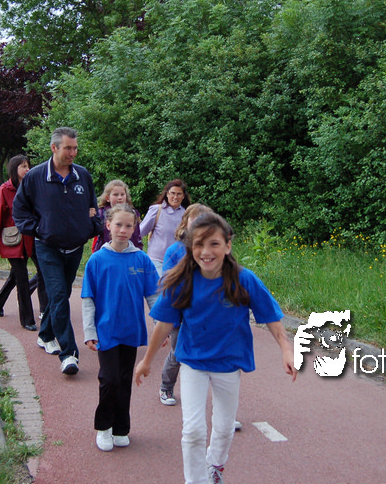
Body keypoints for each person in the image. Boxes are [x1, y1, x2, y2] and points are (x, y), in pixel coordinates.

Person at [135, 212, 297, 484]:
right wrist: (147, 360)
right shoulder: (182, 281)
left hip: (228, 364)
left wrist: (286, 349)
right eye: (199, 244)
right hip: (193, 362)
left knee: (223, 428)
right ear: (190, 247)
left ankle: (215, 466)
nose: (206, 252)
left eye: (214, 244)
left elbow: (271, 317)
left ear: (228, 246)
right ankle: (195, 480)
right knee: (193, 430)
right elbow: (163, 325)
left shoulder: (244, 280)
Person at [13, 126, 102, 375]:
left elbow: (92, 208)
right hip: (47, 247)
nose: (73, 153)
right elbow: (19, 209)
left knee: (61, 295)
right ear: (54, 148)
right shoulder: (35, 177)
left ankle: (45, 334)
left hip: (74, 247)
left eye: (75, 148)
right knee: (59, 295)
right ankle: (69, 354)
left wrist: (90, 228)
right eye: (68, 148)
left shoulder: (82, 175)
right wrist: (38, 229)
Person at [82, 204, 159, 451]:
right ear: (108, 226)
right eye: (118, 225)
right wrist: (89, 331)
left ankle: (121, 428)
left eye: (128, 225)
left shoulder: (142, 259)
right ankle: (103, 427)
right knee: (109, 379)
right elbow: (88, 299)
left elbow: (153, 296)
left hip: (131, 330)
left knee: (125, 380)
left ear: (134, 228)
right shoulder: (97, 260)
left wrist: (160, 325)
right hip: (106, 331)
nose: (123, 230)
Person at [0, 155, 46, 331]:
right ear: (14, 169)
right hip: (13, 241)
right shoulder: (4, 191)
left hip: (31, 239)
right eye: (23, 166)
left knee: (41, 271)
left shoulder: (32, 188)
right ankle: (27, 320)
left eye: (28, 166)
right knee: (22, 278)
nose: (27, 169)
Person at [158, 203, 213, 407]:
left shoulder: (212, 250)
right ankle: (166, 387)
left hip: (204, 313)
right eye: (195, 220)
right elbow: (166, 282)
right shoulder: (175, 251)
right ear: (185, 223)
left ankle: (205, 396)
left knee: (206, 353)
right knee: (178, 352)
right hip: (179, 312)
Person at [139, 179, 190, 275]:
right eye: (172, 193)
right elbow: (140, 232)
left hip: (178, 262)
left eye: (179, 194)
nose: (175, 197)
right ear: (167, 194)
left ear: (183, 196)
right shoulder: (157, 210)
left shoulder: (186, 214)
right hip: (157, 261)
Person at [92, 179, 143, 252]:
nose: (120, 197)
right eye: (116, 195)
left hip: (129, 252)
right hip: (106, 252)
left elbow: (137, 237)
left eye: (122, 194)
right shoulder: (101, 213)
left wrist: (138, 252)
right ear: (107, 198)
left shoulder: (132, 213)